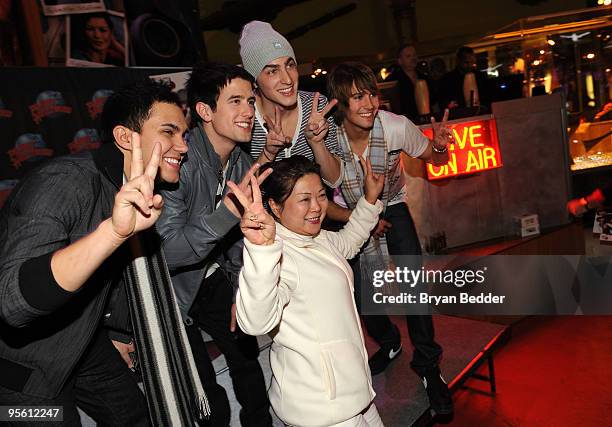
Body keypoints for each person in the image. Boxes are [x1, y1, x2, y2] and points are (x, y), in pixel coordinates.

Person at [0, 80, 208, 425]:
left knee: (136, 416)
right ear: (126, 138)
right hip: (19, 368)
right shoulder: (63, 182)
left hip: (85, 343)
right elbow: (11, 301)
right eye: (169, 132)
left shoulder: (131, 189)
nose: (182, 146)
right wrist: (111, 233)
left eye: (184, 135)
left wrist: (117, 331)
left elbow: (120, 276)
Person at [325, 62, 454, 415]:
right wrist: (362, 218)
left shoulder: (395, 126)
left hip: (391, 204)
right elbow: (323, 194)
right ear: (339, 104)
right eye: (356, 97)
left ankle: (428, 365)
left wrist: (441, 147)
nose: (368, 103)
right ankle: (389, 341)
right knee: (362, 292)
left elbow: (436, 160)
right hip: (349, 211)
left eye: (371, 94)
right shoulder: (328, 139)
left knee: (414, 285)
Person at [157, 62, 272, 427]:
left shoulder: (240, 161)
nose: (248, 112)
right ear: (205, 111)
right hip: (170, 291)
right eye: (235, 101)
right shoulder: (180, 161)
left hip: (212, 275)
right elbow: (168, 252)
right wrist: (225, 215)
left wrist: (242, 292)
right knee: (206, 396)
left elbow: (239, 241)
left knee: (249, 366)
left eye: (251, 102)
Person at [231, 155, 385, 427]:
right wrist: (261, 251)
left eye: (321, 195)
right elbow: (255, 321)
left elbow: (348, 243)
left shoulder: (316, 237)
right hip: (323, 407)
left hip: (351, 392)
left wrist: (369, 200)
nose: (317, 207)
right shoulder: (278, 255)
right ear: (275, 208)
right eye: (304, 199)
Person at [238, 20, 343, 188]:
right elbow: (240, 191)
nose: (287, 79)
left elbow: (334, 180)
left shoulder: (316, 107)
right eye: (272, 71)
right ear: (254, 80)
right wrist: (268, 153)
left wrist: (317, 143)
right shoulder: (244, 117)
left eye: (290, 65)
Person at [388, 43, 429, 122]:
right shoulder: (393, 80)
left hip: (425, 120)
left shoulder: (424, 78)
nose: (413, 58)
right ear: (400, 61)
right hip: (405, 122)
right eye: (408, 56)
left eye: (414, 55)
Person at [438, 46, 487, 111]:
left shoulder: (479, 76)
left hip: (479, 112)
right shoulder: (447, 79)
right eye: (466, 62)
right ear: (458, 61)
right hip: (458, 114)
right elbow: (444, 102)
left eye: (472, 62)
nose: (470, 66)